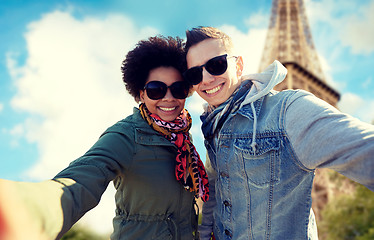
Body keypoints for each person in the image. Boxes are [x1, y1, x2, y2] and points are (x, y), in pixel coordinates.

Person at [0, 35, 209, 240]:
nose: (169, 98)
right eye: (156, 89)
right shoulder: (126, 136)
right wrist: (23, 209)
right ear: (141, 94)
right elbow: (79, 181)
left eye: (178, 89)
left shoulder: (182, 140)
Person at [183, 26, 374, 240]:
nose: (207, 79)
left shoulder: (287, 110)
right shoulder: (214, 126)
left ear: (238, 65)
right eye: (194, 73)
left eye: (216, 65)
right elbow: (215, 195)